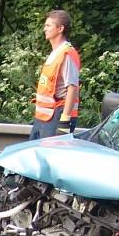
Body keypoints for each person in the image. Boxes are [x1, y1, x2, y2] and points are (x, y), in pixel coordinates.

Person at [30, 9, 81, 140]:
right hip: (44, 117)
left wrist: (64, 120)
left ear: (60, 29)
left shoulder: (67, 53)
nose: (44, 29)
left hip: (57, 117)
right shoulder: (56, 52)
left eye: (48, 25)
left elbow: (72, 87)